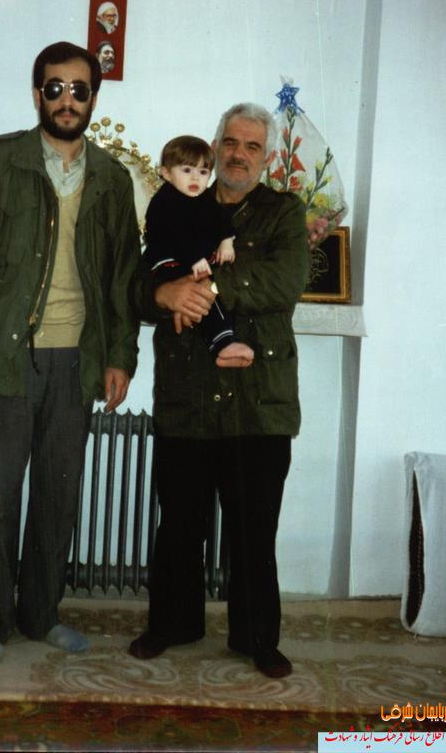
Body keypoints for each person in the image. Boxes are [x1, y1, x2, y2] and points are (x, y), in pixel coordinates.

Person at [0, 40, 141, 666]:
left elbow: (123, 280)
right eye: (55, 88)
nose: (67, 100)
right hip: (6, 358)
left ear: (93, 99)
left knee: (59, 494)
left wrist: (120, 357)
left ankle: (41, 613)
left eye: (79, 90)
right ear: (37, 95)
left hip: (77, 361)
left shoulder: (112, 179)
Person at [129, 102, 309, 679]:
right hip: (187, 396)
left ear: (267, 158)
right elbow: (139, 284)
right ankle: (172, 624)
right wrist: (164, 294)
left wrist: (203, 288)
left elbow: (284, 281)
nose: (239, 154)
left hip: (259, 403)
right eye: (230, 142)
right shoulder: (178, 203)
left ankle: (258, 639)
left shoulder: (283, 212)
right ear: (215, 147)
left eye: (252, 146)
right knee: (179, 524)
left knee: (254, 531)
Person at [144, 134, 254, 363]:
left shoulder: (204, 197)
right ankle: (222, 342)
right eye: (187, 170)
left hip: (197, 262)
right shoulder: (164, 202)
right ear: (166, 173)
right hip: (167, 262)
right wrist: (194, 258)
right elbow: (174, 233)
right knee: (199, 294)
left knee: (214, 291)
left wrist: (226, 240)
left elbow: (220, 218)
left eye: (203, 172)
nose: (195, 177)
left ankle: (222, 340)